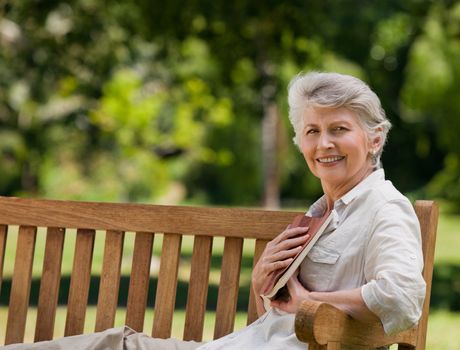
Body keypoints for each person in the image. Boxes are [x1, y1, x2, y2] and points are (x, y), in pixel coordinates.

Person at [2, 72, 425, 350]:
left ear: (374, 139)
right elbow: (285, 322)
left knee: (117, 345)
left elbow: (404, 297)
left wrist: (311, 302)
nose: (324, 144)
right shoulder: (322, 215)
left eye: (339, 129)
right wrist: (266, 285)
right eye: (312, 131)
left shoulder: (385, 209)